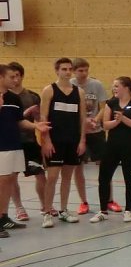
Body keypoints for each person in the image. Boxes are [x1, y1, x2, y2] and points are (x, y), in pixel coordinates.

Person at [0, 64, 51, 239]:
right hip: (1, 147)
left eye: (16, 77)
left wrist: (36, 125)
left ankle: (4, 217)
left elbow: (20, 122)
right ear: (1, 78)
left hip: (14, 145)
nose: (15, 80)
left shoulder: (14, 99)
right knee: (3, 181)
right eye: (10, 77)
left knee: (9, 180)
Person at [39, 58, 87, 227]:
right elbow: (43, 117)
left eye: (69, 69)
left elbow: (82, 118)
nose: (67, 72)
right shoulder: (49, 90)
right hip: (55, 141)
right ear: (57, 71)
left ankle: (64, 210)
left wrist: (82, 140)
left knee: (67, 177)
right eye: (64, 69)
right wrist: (46, 141)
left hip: (73, 141)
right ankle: (46, 212)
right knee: (52, 177)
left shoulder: (78, 92)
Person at [90, 77, 131, 223]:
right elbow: (106, 125)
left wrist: (124, 119)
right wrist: (116, 121)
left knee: (129, 179)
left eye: (116, 86)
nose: (114, 88)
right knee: (104, 178)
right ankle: (103, 211)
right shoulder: (111, 103)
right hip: (112, 146)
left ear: (127, 88)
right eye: (113, 86)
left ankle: (128, 210)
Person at [70, 58, 120, 214]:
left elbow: (105, 106)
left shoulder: (96, 85)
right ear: (74, 71)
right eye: (80, 71)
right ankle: (83, 202)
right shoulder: (70, 86)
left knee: (104, 165)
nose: (84, 73)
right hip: (77, 133)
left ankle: (109, 200)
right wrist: (81, 122)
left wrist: (96, 120)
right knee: (78, 168)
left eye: (86, 70)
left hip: (96, 131)